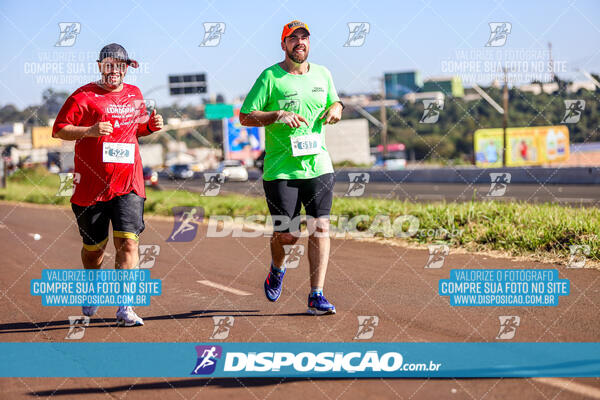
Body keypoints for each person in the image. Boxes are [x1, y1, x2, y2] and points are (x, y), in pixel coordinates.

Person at [52, 43, 163, 326]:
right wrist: (88, 131)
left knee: (128, 243)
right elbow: (60, 129)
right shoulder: (84, 96)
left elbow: (136, 128)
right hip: (91, 188)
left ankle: (125, 307)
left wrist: (150, 126)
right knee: (94, 251)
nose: (115, 70)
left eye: (121, 66)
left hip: (129, 183)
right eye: (110, 65)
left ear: (126, 69)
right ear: (100, 66)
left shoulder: (135, 95)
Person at [239, 20, 344, 315]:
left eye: (304, 37)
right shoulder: (270, 77)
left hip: (319, 164)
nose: (300, 42)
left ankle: (316, 294)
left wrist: (338, 108)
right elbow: (245, 116)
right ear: (284, 44)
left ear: (309, 43)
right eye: (293, 38)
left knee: (320, 227)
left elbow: (334, 101)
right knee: (287, 234)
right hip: (281, 169)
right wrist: (278, 114)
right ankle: (277, 267)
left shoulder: (323, 74)